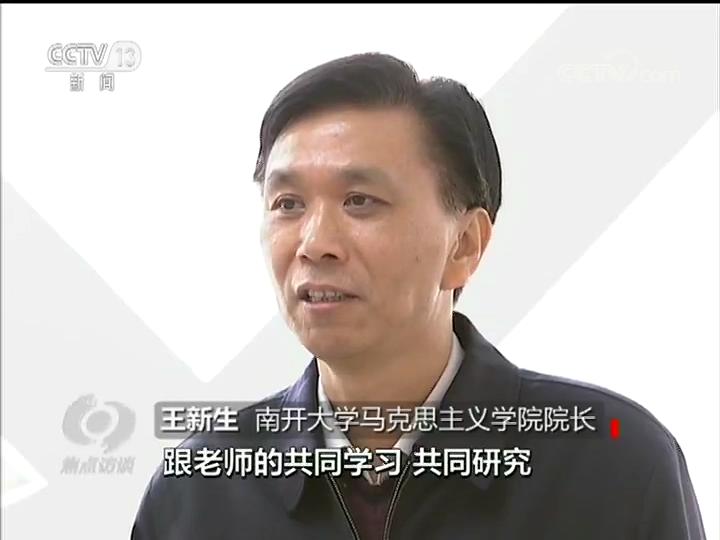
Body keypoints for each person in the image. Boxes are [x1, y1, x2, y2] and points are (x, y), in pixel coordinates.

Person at [131, 52, 707, 540]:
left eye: (360, 201)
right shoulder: (201, 490)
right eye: (288, 204)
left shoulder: (613, 465)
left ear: (465, 245)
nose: (315, 243)